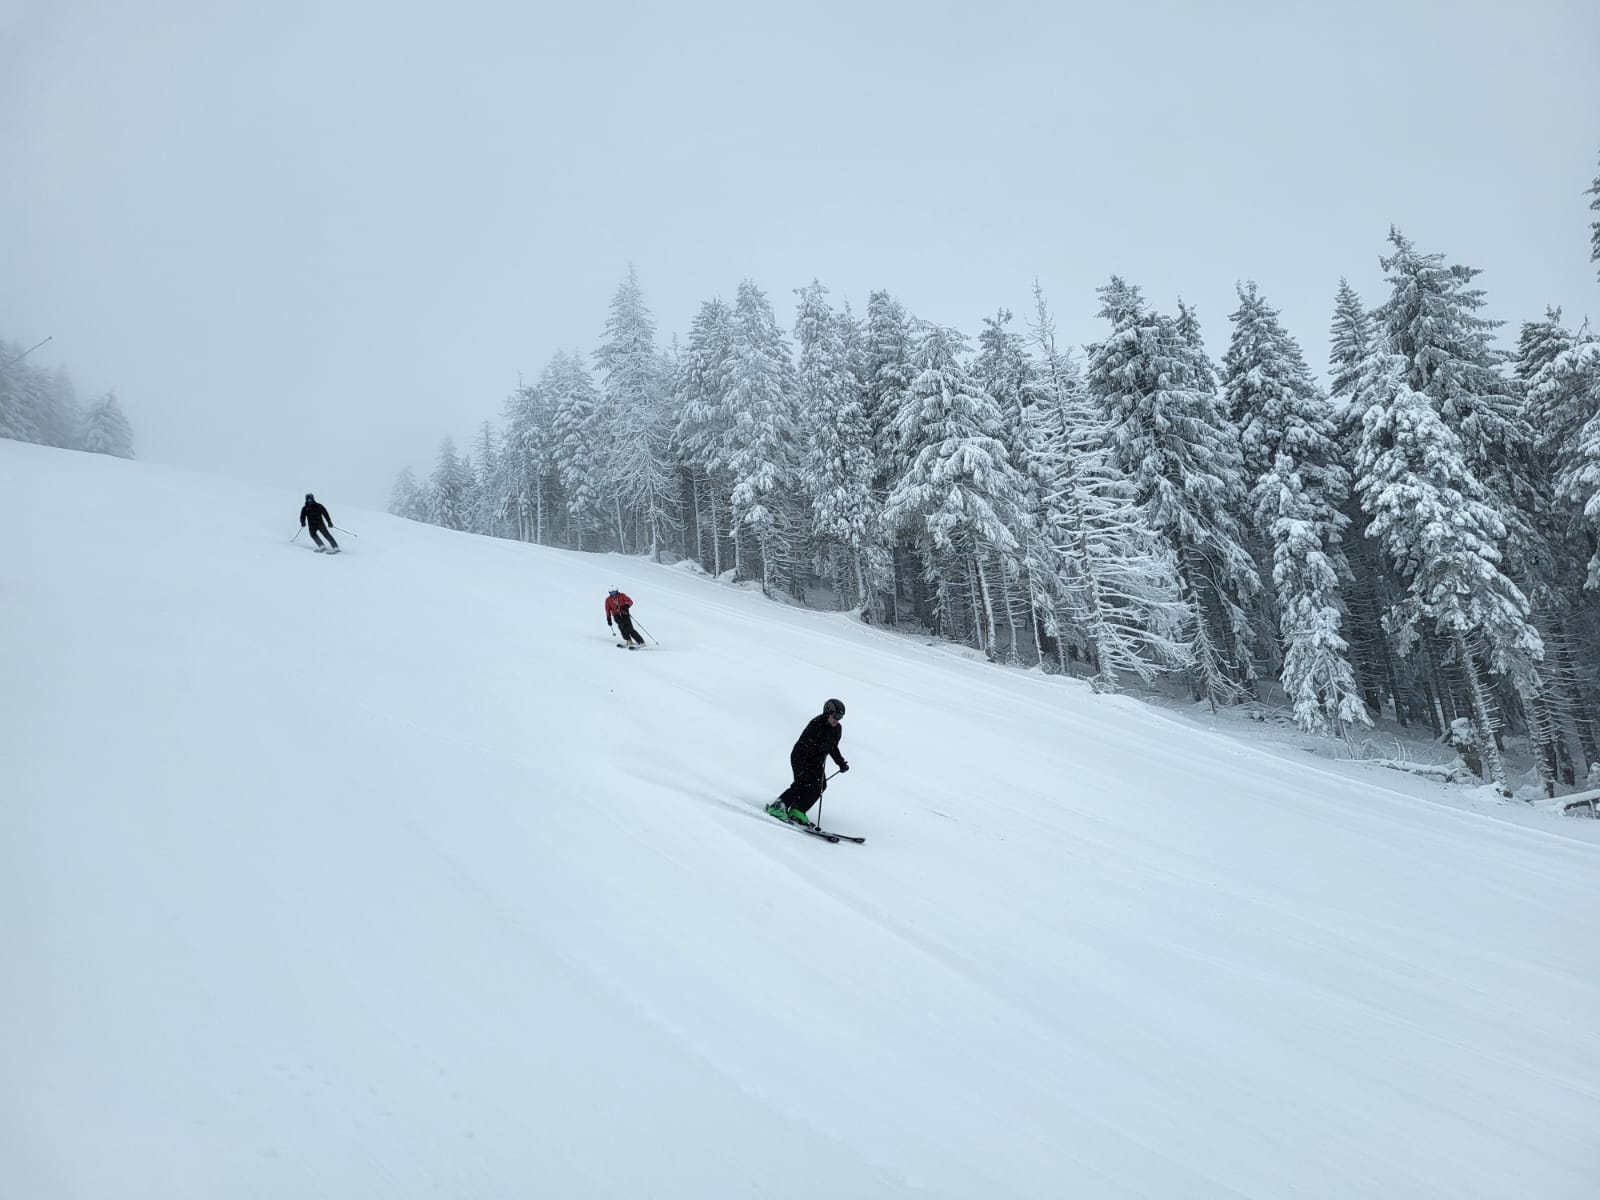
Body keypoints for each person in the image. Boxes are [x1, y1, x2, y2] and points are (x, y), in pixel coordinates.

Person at [766, 698, 849, 826]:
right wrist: (819, 752)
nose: (837, 720)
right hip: (801, 758)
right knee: (802, 783)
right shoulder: (816, 724)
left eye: (840, 717)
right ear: (827, 713)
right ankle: (778, 806)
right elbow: (807, 745)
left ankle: (798, 810)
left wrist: (841, 763)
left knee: (820, 786)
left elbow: (833, 747)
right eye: (835, 716)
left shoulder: (837, 729)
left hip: (816, 762)